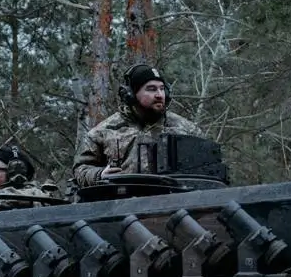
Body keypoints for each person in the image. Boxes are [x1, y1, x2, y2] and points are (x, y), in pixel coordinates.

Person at [73, 64, 205, 189]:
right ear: (130, 94)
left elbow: (207, 170)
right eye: (151, 89)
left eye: (162, 88)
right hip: (120, 205)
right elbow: (81, 169)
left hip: (176, 204)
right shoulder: (104, 131)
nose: (159, 95)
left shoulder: (187, 130)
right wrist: (100, 175)